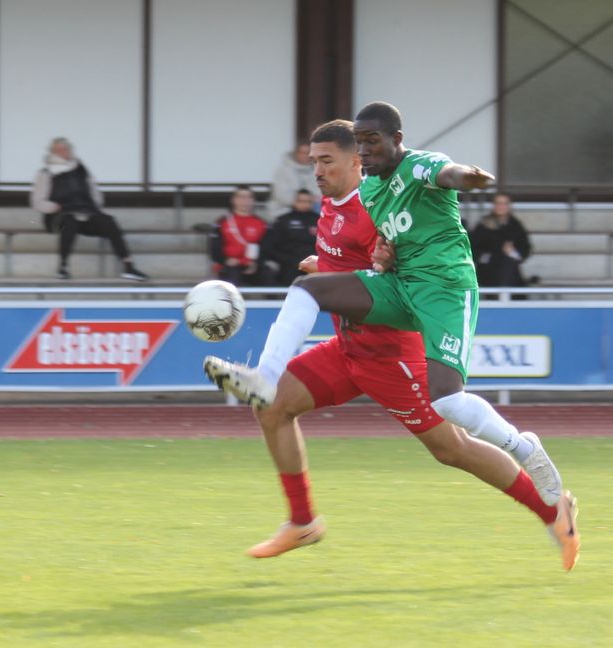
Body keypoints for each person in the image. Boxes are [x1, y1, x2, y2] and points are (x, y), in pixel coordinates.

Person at [205, 103, 579, 570]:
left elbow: (396, 270)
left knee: (453, 449)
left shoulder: (374, 204)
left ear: (356, 160)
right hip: (347, 350)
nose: (317, 171)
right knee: (273, 406)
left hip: (390, 356)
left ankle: (552, 509)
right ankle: (302, 520)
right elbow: (356, 271)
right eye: (313, 162)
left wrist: (361, 265)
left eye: (327, 161)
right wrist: (329, 268)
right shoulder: (331, 206)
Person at [30, 137, 149, 281]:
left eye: (66, 149)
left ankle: (128, 266)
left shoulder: (81, 169)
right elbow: (37, 202)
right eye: (60, 150)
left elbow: (94, 192)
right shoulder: (45, 173)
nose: (64, 152)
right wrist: (56, 206)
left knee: (108, 221)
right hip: (58, 216)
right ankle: (63, 267)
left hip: (85, 212)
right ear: (53, 152)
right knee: (70, 220)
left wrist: (94, 207)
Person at [209, 186, 275, 287]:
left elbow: (266, 247)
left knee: (268, 274)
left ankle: (273, 302)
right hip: (230, 265)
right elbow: (214, 248)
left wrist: (256, 263)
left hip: (254, 265)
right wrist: (226, 260)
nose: (245, 200)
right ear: (233, 200)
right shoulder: (222, 222)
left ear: (253, 200)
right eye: (241, 197)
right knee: (232, 276)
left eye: (248, 197)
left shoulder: (261, 223)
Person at [471, 193, 532, 291]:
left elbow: (525, 248)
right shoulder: (483, 224)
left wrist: (512, 253)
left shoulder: (515, 225)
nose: (501, 207)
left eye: (504, 203)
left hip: (510, 270)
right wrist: (488, 256)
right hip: (487, 269)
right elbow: (473, 248)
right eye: (498, 203)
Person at [261, 188, 319, 286]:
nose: (304, 204)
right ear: (294, 202)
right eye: (301, 201)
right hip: (288, 266)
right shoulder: (283, 221)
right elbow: (271, 245)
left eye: (308, 201)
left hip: (313, 265)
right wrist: (286, 260)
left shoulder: (319, 220)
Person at [266, 142, 321, 218]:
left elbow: (320, 193)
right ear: (295, 153)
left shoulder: (317, 171)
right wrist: (301, 203)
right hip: (284, 210)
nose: (305, 156)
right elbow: (281, 196)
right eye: (302, 153)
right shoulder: (283, 171)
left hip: (311, 209)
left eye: (307, 153)